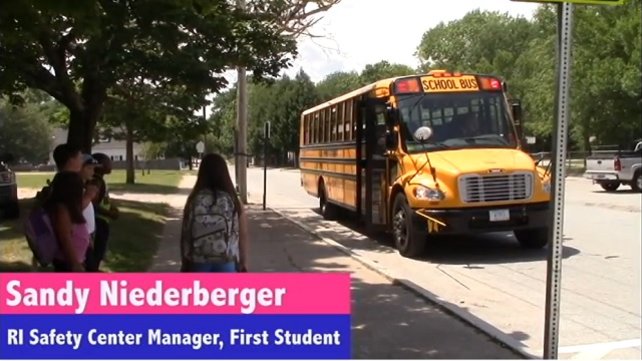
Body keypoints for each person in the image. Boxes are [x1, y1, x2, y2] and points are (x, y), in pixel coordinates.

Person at [180, 153, 249, 273]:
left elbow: (185, 234)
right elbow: (242, 235)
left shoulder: (194, 200)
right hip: (226, 261)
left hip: (198, 261)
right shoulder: (232, 200)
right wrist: (242, 261)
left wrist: (185, 261)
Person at [43, 171, 91, 272]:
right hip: (68, 264)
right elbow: (65, 237)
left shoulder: (69, 208)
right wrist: (75, 264)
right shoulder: (62, 210)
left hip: (77, 260)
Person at [87, 153, 119, 272]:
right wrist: (109, 213)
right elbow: (92, 204)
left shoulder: (100, 181)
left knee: (98, 253)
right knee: (96, 253)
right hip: (98, 222)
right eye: (108, 162)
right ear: (99, 165)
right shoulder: (96, 182)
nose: (111, 164)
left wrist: (111, 207)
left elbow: (102, 200)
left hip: (101, 221)